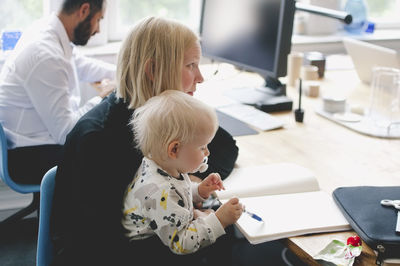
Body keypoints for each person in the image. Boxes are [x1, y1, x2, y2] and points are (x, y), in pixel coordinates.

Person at [51, 16, 239, 266]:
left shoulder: (169, 117)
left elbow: (226, 146)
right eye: (191, 65)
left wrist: (184, 185)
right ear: (153, 71)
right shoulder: (100, 141)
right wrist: (182, 218)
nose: (201, 77)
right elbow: (100, 246)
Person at [0, 0, 115, 185]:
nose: (98, 30)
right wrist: (102, 98)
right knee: (111, 150)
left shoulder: (50, 31)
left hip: (30, 142)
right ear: (84, 10)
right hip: (26, 156)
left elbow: (81, 65)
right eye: (98, 19)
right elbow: (66, 132)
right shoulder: (45, 54)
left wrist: (125, 74)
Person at [122, 90, 243, 264]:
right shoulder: (158, 190)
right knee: (223, 236)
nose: (208, 152)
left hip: (167, 230)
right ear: (174, 150)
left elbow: (176, 193)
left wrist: (199, 191)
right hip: (151, 253)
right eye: (202, 147)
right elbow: (182, 243)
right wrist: (219, 220)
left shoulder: (162, 165)